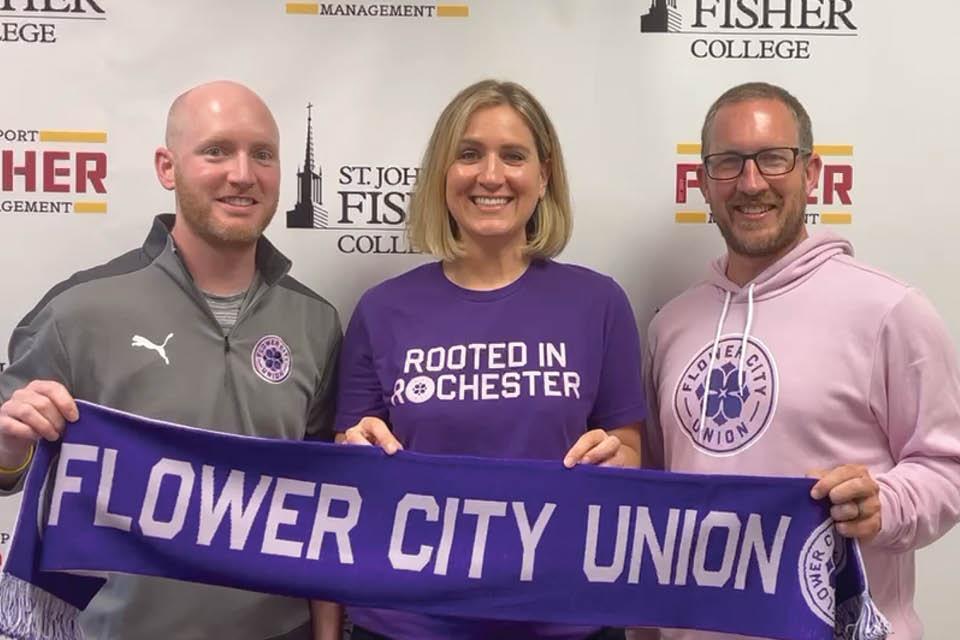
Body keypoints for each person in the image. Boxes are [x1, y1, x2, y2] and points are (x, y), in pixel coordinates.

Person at [0, 81, 342, 640]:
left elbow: (326, 498)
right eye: (216, 151)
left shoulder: (316, 321)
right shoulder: (78, 310)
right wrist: (10, 444)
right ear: (167, 166)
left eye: (262, 154)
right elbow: (5, 466)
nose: (242, 174)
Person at [638, 82, 960, 640]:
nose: (751, 182)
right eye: (728, 163)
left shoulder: (889, 310)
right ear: (703, 181)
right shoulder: (672, 326)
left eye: (773, 159)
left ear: (811, 174)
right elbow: (656, 494)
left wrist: (885, 502)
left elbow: (947, 468)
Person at [330, 79, 646, 640]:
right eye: (469, 154)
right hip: (411, 621)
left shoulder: (599, 303)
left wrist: (617, 456)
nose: (491, 175)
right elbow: (348, 461)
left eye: (514, 156)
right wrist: (358, 447)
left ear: (544, 175)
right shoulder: (382, 310)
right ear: (442, 174)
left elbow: (628, 450)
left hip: (565, 618)